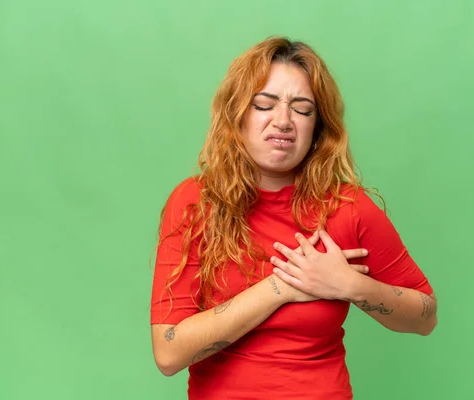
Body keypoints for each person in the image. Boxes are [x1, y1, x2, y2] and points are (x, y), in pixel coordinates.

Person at [149, 36, 437, 399]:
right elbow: (169, 353)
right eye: (264, 105)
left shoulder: (347, 207)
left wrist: (348, 285)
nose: (283, 121)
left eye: (302, 109)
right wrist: (281, 287)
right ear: (237, 114)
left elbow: (425, 316)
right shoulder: (194, 203)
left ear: (318, 127)